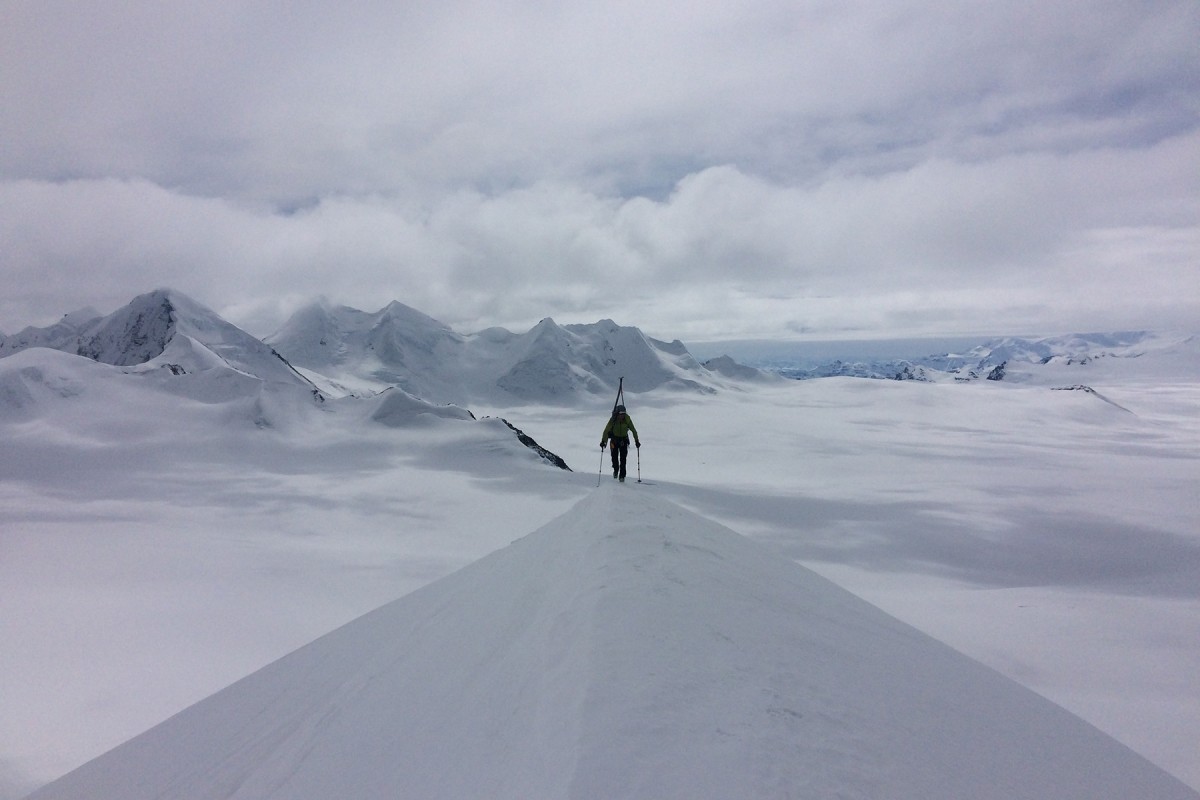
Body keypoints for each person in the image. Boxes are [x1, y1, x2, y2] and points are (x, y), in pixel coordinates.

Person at [600, 404, 640, 482]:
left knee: (623, 459)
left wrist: (637, 441)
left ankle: (622, 476)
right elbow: (606, 430)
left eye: (624, 414)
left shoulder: (627, 419)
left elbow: (633, 430)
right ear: (617, 413)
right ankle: (616, 470)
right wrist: (603, 441)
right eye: (621, 414)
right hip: (614, 441)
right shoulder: (613, 420)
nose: (622, 416)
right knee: (614, 457)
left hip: (623, 441)